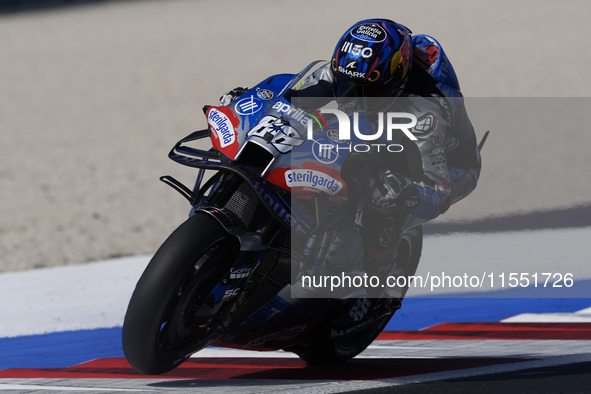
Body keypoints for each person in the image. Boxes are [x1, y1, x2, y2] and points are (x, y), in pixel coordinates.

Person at [220, 18, 482, 289]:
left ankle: (380, 276)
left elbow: (439, 193)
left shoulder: (424, 114)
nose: (351, 97)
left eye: (366, 92)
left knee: (384, 194)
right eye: (345, 86)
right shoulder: (344, 70)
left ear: (395, 82)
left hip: (443, 164)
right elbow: (289, 99)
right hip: (383, 122)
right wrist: (249, 103)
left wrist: (405, 189)